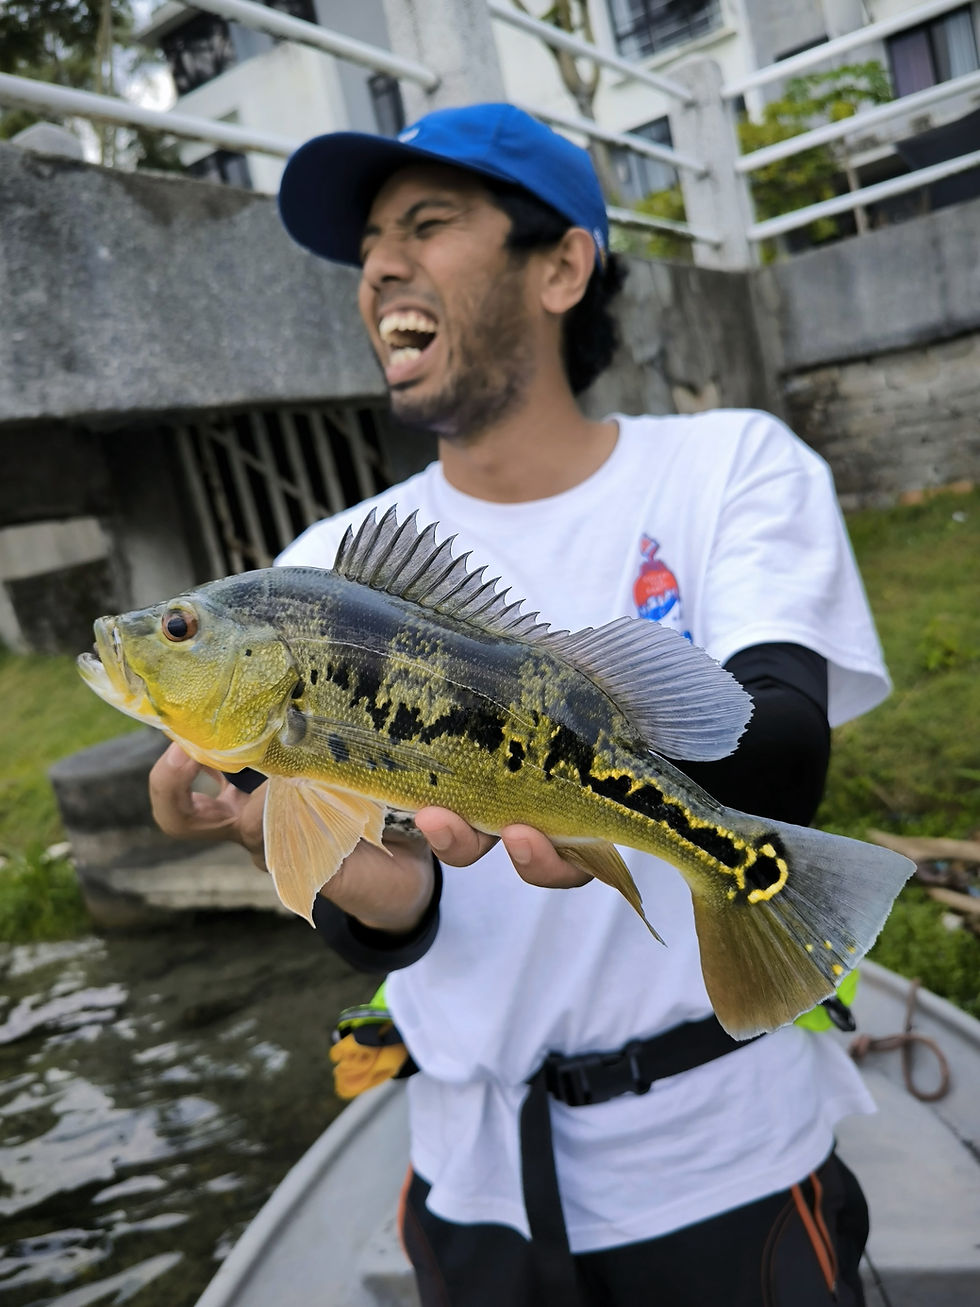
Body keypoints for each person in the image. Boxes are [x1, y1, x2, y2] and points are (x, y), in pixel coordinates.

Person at [150, 103, 891, 1306]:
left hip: (727, 1161)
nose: (378, 263)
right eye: (369, 242)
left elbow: (781, 744)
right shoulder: (320, 566)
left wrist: (615, 799)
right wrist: (283, 825)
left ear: (560, 265)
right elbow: (398, 901)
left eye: (427, 223)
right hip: (473, 1181)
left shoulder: (727, 464)